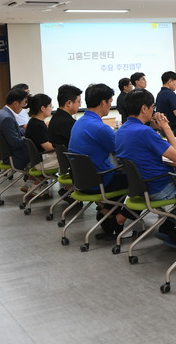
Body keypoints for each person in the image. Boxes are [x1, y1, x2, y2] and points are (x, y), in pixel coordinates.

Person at [115, 88, 176, 249]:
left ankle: (168, 227)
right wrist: (166, 127)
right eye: (152, 107)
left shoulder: (122, 130)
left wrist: (155, 129)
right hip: (158, 187)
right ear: (144, 108)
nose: (153, 111)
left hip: (139, 187)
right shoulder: (144, 132)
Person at [68, 84, 129, 238]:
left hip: (81, 180)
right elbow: (122, 150)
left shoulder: (79, 122)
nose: (110, 104)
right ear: (103, 103)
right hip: (99, 181)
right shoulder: (101, 128)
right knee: (138, 179)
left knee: (120, 173)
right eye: (110, 101)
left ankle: (107, 210)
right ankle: (118, 219)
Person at [0, 87, 30, 170]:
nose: (23, 107)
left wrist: (29, 131)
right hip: (16, 157)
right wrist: (30, 138)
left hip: (9, 155)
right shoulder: (7, 118)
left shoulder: (1, 113)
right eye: (23, 103)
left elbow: (17, 131)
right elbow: (15, 143)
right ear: (15, 103)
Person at [25, 93, 59, 170]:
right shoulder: (37, 125)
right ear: (43, 108)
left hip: (40, 159)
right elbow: (49, 148)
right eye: (50, 106)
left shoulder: (35, 122)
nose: (51, 108)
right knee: (71, 159)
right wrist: (62, 145)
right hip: (42, 162)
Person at [155, 71, 176, 135]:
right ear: (170, 81)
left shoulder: (159, 94)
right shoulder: (170, 94)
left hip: (163, 128)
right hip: (174, 128)